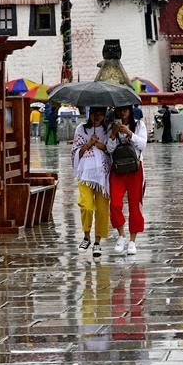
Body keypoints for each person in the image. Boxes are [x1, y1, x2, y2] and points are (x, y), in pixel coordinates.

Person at [106, 105, 147, 255]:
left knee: (135, 204)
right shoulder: (111, 126)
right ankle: (121, 235)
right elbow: (109, 149)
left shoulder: (139, 125)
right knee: (115, 203)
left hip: (135, 169)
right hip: (117, 169)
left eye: (125, 110)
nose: (122, 113)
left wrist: (130, 133)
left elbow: (143, 145)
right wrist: (113, 133)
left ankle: (132, 241)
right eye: (119, 110)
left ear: (130, 111)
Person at [73, 107, 111, 256]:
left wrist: (100, 145)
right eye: (95, 113)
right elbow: (76, 152)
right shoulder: (80, 129)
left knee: (102, 210)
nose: (98, 117)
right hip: (85, 174)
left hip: (103, 175)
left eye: (101, 114)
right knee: (86, 205)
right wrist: (89, 143)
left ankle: (97, 242)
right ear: (90, 113)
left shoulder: (108, 130)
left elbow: (111, 149)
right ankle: (86, 236)